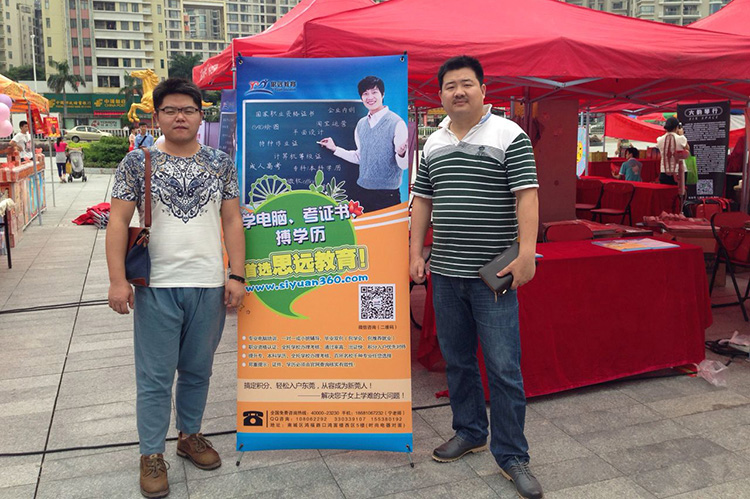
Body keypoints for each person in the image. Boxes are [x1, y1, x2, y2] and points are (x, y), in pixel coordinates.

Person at [409, 55, 543, 499]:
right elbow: (423, 201)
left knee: (504, 366)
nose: (458, 92)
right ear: (441, 95)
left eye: (466, 84)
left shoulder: (510, 134)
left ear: (484, 90)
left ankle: (512, 455)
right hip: (446, 273)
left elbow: (527, 196)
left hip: (494, 274)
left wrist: (527, 253)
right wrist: (415, 253)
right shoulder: (432, 143)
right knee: (458, 359)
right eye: (450, 86)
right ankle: (470, 431)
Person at [105, 78, 245, 499]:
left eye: (188, 110)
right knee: (155, 376)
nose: (179, 117)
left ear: (202, 116)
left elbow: (232, 219)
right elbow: (118, 221)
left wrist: (236, 274)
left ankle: (190, 435)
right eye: (170, 110)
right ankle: (151, 454)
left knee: (199, 370)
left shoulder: (220, 163)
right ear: (157, 116)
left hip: (208, 283)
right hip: (157, 286)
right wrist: (117, 280)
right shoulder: (138, 162)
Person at [319, 75, 408, 212]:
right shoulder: (361, 124)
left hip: (387, 195)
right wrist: (335, 149)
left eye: (374, 92)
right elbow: (360, 157)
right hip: (362, 191)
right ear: (361, 97)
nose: (370, 97)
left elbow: (404, 165)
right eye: (365, 94)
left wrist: (402, 153)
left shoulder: (397, 123)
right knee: (363, 227)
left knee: (386, 227)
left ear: (383, 94)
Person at [656, 117, 689, 192]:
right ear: (677, 127)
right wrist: (681, 134)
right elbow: (687, 150)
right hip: (679, 172)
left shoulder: (659, 140)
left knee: (666, 194)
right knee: (679, 194)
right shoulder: (681, 138)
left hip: (664, 171)